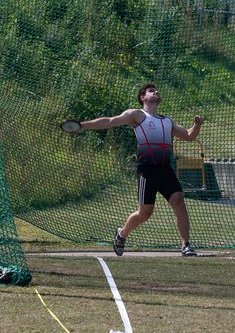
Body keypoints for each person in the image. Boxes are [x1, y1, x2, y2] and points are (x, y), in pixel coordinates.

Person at [75, 83, 204, 256]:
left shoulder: (166, 121)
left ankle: (186, 245)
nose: (156, 92)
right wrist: (82, 126)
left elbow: (189, 136)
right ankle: (121, 235)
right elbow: (109, 121)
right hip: (147, 171)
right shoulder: (137, 115)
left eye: (157, 90)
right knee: (144, 214)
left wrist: (197, 125)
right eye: (151, 91)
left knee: (179, 201)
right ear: (143, 97)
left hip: (165, 170)